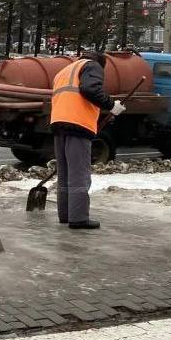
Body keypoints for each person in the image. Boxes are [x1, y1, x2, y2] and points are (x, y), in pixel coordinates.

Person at [50, 51, 125, 230]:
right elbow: (90, 89)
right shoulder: (92, 65)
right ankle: (78, 218)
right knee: (79, 174)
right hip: (77, 125)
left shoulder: (65, 70)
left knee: (65, 173)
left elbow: (73, 97)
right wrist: (111, 105)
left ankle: (66, 215)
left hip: (59, 123)